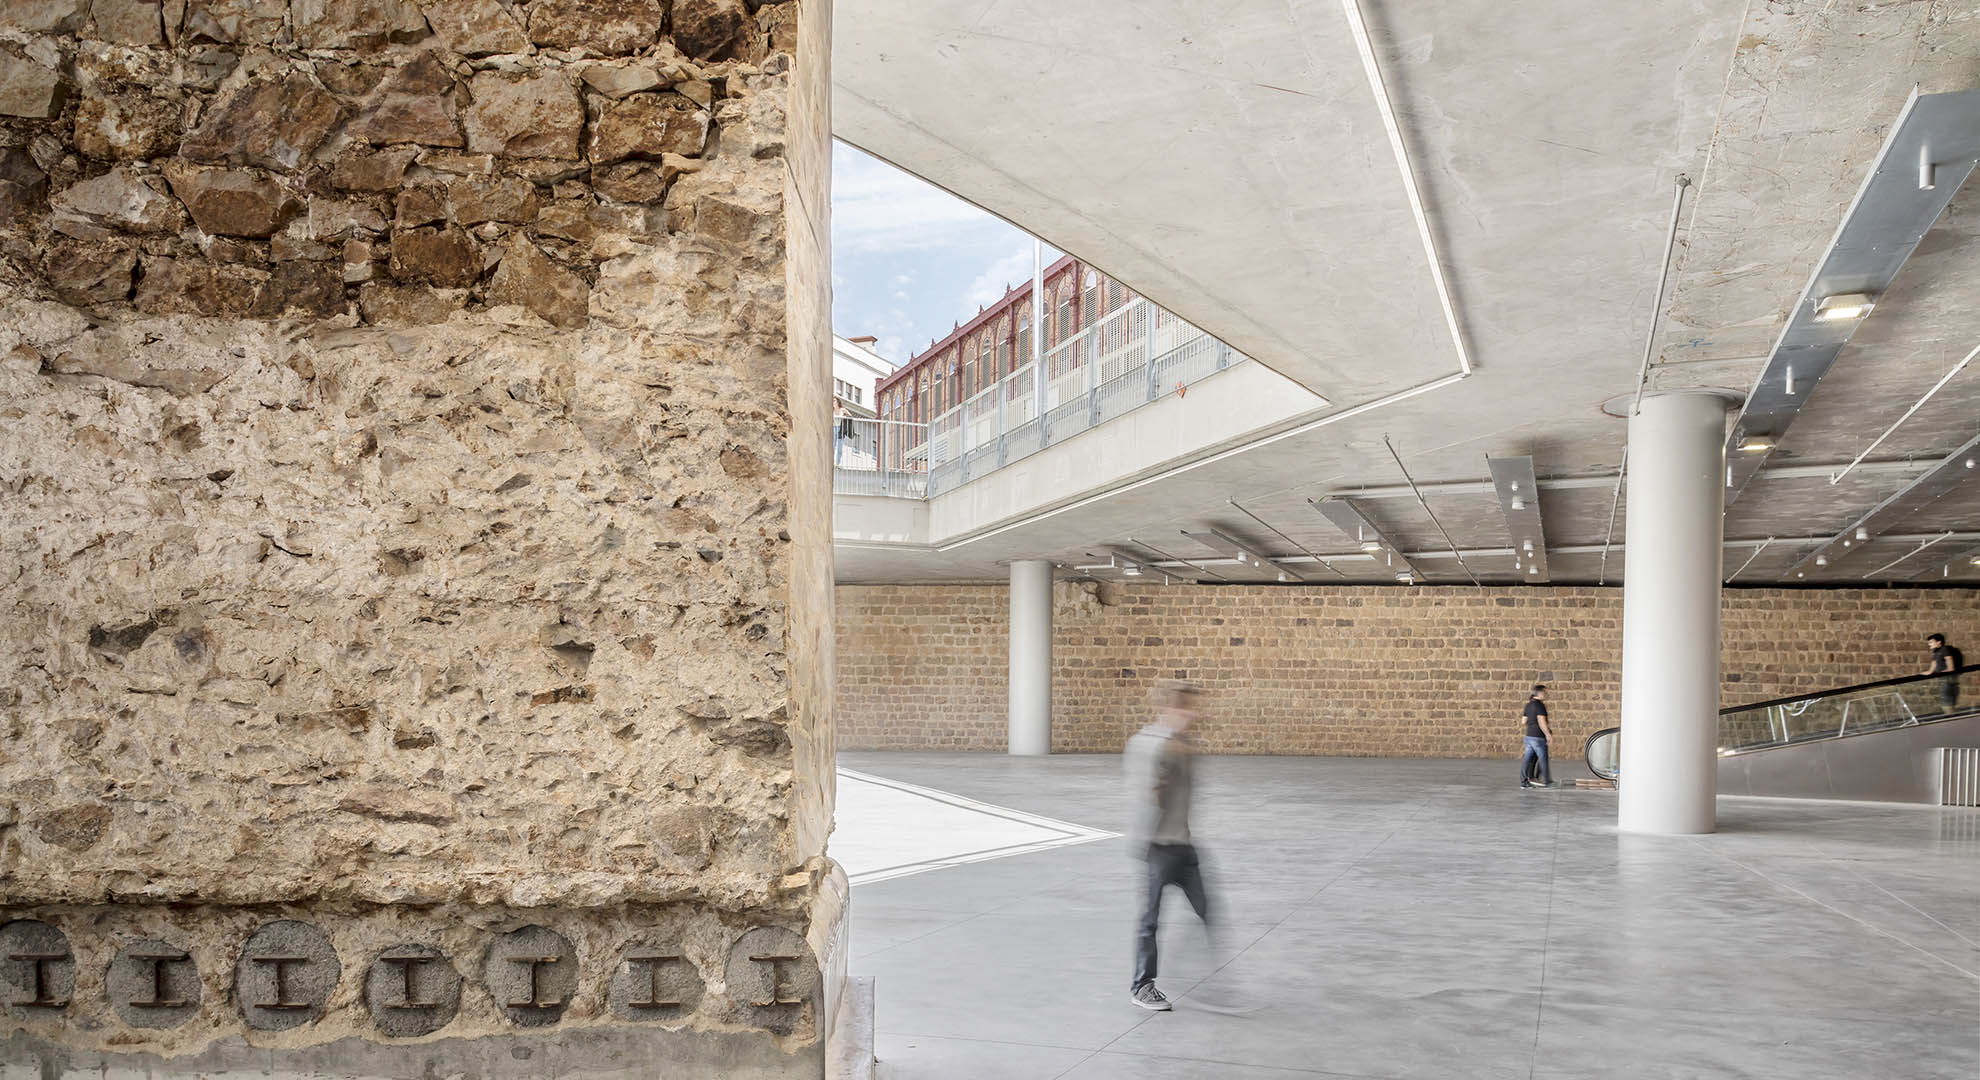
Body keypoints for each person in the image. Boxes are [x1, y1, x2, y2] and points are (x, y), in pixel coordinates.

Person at [1124, 680, 1211, 1012]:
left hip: (1184, 845)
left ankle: (1204, 981)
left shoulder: (1182, 746)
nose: (1192, 714)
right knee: (1150, 919)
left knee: (1207, 910)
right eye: (1184, 707)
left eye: (1193, 707)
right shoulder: (1151, 745)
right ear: (1167, 708)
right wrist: (1143, 840)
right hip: (1158, 847)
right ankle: (1142, 986)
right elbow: (1148, 796)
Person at [1519, 684, 1553, 789]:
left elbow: (1523, 722)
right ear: (1539, 693)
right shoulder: (1540, 705)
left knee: (1528, 759)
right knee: (1543, 759)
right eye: (1544, 692)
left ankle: (1524, 782)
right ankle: (1546, 781)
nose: (1546, 694)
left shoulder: (1528, 705)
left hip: (1529, 736)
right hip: (1538, 737)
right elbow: (1542, 722)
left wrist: (1532, 724)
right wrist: (1548, 734)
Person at [1925, 633, 1964, 714]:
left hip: (1947, 680)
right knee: (1946, 704)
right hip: (1945, 681)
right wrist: (1929, 672)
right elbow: (1933, 666)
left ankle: (1952, 718)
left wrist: (1948, 669)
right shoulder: (1936, 652)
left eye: (1931, 642)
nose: (1929, 644)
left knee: (1947, 704)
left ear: (1939, 642)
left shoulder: (1944, 649)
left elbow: (1949, 662)